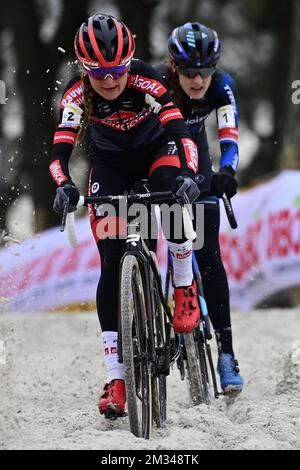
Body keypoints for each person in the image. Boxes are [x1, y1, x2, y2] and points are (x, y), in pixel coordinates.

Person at [49, 13, 203, 418]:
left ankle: (185, 286)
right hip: (111, 165)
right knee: (111, 261)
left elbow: (180, 134)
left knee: (171, 201)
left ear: (129, 62)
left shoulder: (145, 78)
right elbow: (58, 156)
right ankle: (117, 377)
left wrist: (188, 174)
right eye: (99, 72)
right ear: (84, 69)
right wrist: (64, 185)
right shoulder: (76, 95)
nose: (111, 80)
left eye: (117, 69)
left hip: (157, 154)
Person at [156, 22, 243, 393]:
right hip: (163, 158)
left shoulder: (222, 85)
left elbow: (230, 135)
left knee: (209, 254)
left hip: (201, 163)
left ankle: (226, 353)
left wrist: (227, 171)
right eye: (190, 73)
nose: (197, 81)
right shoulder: (159, 85)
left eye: (205, 72)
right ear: (175, 67)